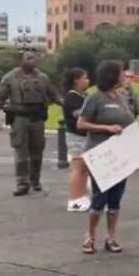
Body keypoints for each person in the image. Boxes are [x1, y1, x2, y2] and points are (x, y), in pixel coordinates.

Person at [77, 60, 134, 254]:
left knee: (116, 198)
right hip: (101, 153)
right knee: (100, 196)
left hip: (120, 154)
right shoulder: (95, 98)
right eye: (121, 73)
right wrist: (106, 128)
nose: (124, 76)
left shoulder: (121, 97)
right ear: (112, 75)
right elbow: (81, 124)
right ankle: (89, 236)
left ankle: (110, 237)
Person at [0, 51, 63, 196]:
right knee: (21, 152)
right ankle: (22, 183)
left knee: (37, 152)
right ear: (21, 60)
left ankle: (35, 181)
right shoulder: (10, 77)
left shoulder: (43, 78)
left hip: (37, 118)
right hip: (19, 119)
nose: (32, 60)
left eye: (34, 58)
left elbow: (54, 95)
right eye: (28, 58)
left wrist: (67, 105)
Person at [61, 67, 91, 211]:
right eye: (84, 78)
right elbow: (80, 116)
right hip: (76, 137)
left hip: (84, 137)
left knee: (84, 169)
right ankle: (74, 199)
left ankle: (82, 196)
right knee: (77, 169)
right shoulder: (72, 98)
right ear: (76, 80)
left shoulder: (81, 96)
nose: (87, 80)